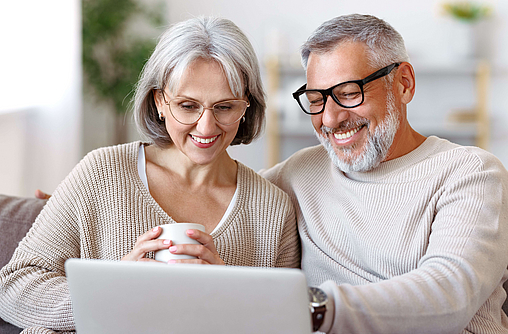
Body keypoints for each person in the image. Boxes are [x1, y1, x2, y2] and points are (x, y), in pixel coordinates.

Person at [0, 17, 300, 333]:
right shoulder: (102, 173)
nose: (206, 127)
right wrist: (114, 291)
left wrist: (227, 295)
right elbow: (14, 286)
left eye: (224, 107)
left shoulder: (273, 210)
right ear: (160, 101)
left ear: (246, 106)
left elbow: (286, 324)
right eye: (187, 106)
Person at [260, 14, 508, 334]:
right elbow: (223, 191)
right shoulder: (297, 173)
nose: (331, 118)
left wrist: (312, 307)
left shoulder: (471, 173)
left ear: (403, 83)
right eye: (316, 100)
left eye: (349, 93)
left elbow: (449, 296)